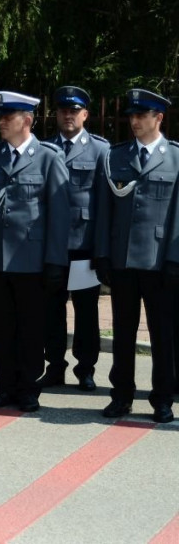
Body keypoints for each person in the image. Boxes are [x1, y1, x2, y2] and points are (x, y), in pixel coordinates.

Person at [0, 91, 69, 413]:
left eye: (7, 117)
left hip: (32, 261)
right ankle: (4, 387)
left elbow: (59, 215)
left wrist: (55, 261)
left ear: (26, 120)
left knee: (30, 329)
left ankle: (28, 389)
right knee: (0, 328)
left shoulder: (49, 158)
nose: (1, 122)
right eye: (0, 116)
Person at [94, 89, 179, 423]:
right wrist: (102, 254)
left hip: (159, 261)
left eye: (141, 116)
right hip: (123, 258)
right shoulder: (115, 156)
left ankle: (162, 397)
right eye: (131, 116)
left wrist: (174, 258)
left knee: (162, 333)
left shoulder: (175, 158)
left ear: (158, 118)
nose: (134, 121)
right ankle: (122, 394)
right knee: (123, 331)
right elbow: (104, 210)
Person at [39, 85, 108, 392]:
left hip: (83, 245)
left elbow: (105, 204)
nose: (68, 115)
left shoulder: (100, 150)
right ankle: (55, 366)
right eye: (63, 110)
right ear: (56, 114)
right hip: (51, 246)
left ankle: (86, 368)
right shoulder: (42, 148)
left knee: (86, 311)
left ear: (85, 114)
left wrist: (101, 248)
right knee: (51, 310)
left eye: (74, 110)